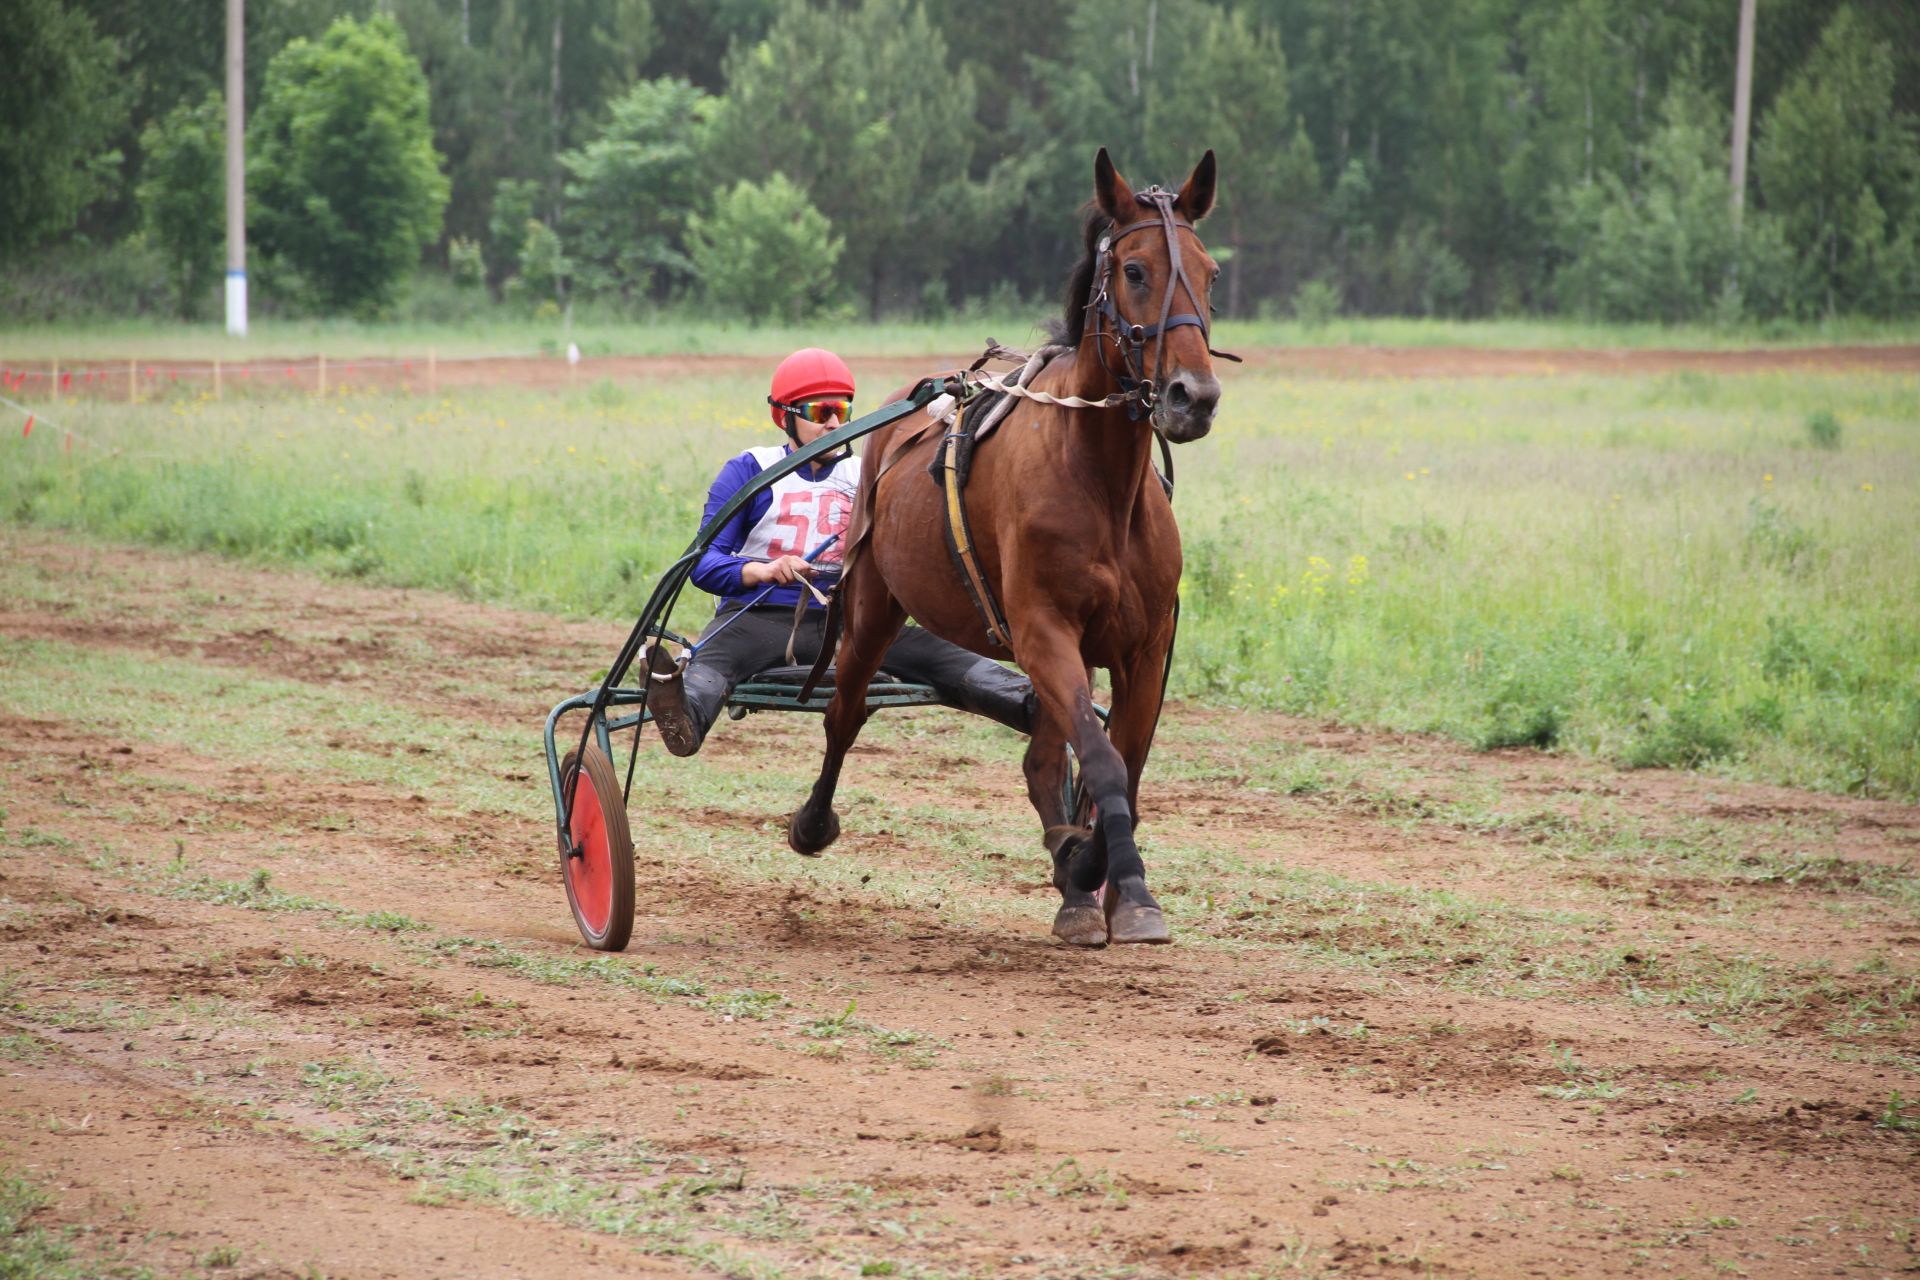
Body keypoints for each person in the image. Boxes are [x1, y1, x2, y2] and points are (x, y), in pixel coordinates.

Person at [645, 347, 1035, 757]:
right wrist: (764, 570)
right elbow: (703, 564)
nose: (834, 423)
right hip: (758, 620)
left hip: (853, 624)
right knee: (714, 660)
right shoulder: (748, 470)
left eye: (842, 410)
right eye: (819, 412)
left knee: (943, 655)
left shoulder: (868, 474)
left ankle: (1032, 704)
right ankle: (682, 714)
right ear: (785, 417)